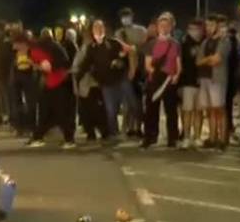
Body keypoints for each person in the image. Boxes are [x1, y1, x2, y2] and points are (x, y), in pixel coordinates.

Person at [77, 18, 135, 143]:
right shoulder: (91, 48)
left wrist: (128, 66)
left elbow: (130, 50)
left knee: (132, 104)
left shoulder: (113, 42)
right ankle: (114, 133)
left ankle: (133, 129)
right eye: (96, 28)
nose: (99, 30)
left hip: (120, 79)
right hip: (106, 84)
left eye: (101, 27)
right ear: (92, 31)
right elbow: (85, 64)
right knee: (110, 110)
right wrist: (76, 77)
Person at [26, 30, 76, 148]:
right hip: (58, 81)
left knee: (52, 112)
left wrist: (38, 66)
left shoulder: (39, 49)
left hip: (54, 81)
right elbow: (64, 62)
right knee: (53, 111)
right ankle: (39, 136)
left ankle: (67, 139)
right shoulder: (56, 46)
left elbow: (46, 66)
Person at [142, 12, 182, 148]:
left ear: (171, 27)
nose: (164, 28)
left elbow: (178, 64)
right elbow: (147, 64)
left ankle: (172, 138)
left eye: (167, 26)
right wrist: (156, 72)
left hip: (169, 80)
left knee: (171, 110)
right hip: (155, 80)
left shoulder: (175, 44)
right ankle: (149, 137)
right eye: (161, 25)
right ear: (157, 27)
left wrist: (176, 76)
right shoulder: (151, 44)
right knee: (151, 110)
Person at [195, 14, 231, 149]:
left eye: (211, 25)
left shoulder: (224, 41)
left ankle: (222, 139)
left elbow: (217, 59)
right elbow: (198, 62)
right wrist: (208, 59)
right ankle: (212, 137)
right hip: (205, 78)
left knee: (219, 109)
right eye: (207, 25)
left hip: (217, 79)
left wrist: (207, 59)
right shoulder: (205, 42)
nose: (209, 28)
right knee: (210, 109)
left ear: (217, 25)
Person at [115, 8, 147, 137]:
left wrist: (135, 48)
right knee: (127, 101)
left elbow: (145, 47)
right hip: (125, 70)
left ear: (132, 16)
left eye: (127, 16)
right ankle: (128, 127)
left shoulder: (141, 31)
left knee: (138, 101)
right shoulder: (119, 33)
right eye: (123, 16)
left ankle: (138, 127)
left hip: (140, 69)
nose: (125, 19)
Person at [72, 31, 106, 141]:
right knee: (91, 110)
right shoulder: (85, 49)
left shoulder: (89, 49)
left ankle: (96, 132)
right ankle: (95, 132)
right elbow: (76, 68)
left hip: (92, 85)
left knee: (93, 110)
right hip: (88, 85)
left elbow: (76, 68)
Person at [178, 19, 204, 148]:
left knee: (198, 111)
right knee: (187, 111)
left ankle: (198, 136)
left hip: (202, 82)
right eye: (192, 29)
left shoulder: (204, 41)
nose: (195, 32)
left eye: (198, 29)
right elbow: (181, 64)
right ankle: (186, 136)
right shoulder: (184, 43)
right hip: (187, 82)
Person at [8, 22, 37, 136]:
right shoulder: (14, 51)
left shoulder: (30, 50)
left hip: (25, 78)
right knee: (20, 103)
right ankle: (23, 127)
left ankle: (27, 127)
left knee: (27, 103)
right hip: (19, 78)